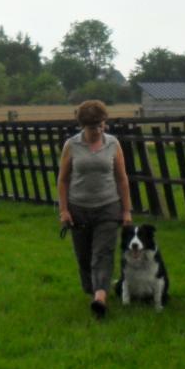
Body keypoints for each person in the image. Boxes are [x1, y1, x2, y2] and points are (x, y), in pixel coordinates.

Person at [57, 100, 132, 319]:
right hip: (78, 208)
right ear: (82, 126)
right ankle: (94, 289)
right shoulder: (71, 145)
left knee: (103, 253)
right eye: (92, 127)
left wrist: (126, 210)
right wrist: (64, 210)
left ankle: (100, 298)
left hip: (108, 207)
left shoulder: (113, 144)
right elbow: (63, 180)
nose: (98, 130)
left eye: (101, 125)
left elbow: (122, 178)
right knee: (84, 257)